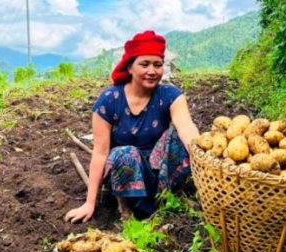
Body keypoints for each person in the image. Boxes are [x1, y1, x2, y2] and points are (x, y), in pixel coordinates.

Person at [64, 30, 199, 223]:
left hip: (158, 174)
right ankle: (128, 208)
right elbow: (100, 152)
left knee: (178, 136)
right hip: (125, 175)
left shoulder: (170, 95)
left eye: (157, 65)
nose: (152, 71)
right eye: (144, 64)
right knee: (126, 153)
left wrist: (204, 157)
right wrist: (89, 203)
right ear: (129, 67)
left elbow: (187, 127)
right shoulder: (109, 100)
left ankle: (163, 198)